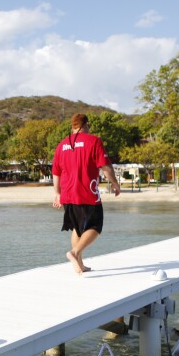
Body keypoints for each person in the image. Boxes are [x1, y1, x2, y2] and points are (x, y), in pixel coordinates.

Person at [52, 113, 120, 274]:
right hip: (87, 192)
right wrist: (115, 183)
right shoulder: (94, 141)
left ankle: (79, 265)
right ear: (85, 125)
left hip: (68, 194)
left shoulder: (61, 145)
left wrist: (57, 193)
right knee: (96, 225)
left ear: (72, 126)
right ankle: (74, 253)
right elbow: (105, 166)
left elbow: (56, 173)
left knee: (77, 228)